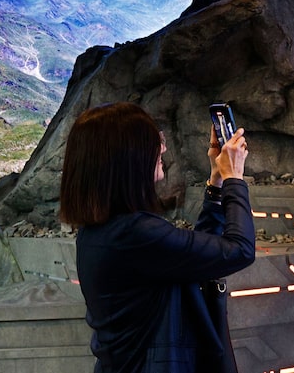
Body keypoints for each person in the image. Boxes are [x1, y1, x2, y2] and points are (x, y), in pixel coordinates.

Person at [59, 101, 255, 373]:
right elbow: (239, 250)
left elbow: (197, 258)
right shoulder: (135, 234)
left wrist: (217, 182)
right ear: (128, 159)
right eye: (153, 141)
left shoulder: (104, 232)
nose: (162, 148)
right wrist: (235, 179)